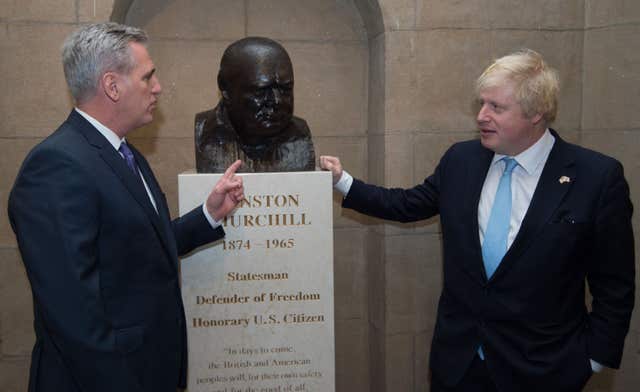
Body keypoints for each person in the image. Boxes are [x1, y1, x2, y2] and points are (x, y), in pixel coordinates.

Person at [320, 49, 635, 391]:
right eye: (481, 104)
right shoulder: (462, 160)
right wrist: (342, 181)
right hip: (459, 365)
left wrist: (592, 359)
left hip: (545, 371)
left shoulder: (596, 178)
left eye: (496, 107)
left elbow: (614, 285)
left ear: (537, 113)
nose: (481, 116)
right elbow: (407, 204)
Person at [8, 23, 244, 392]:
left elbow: (136, 249)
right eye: (147, 76)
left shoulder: (122, 152)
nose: (158, 87)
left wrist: (209, 214)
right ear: (112, 86)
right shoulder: (56, 166)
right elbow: (75, 316)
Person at [195, 36, 315, 173]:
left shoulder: (299, 134)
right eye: (261, 91)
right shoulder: (204, 133)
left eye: (285, 89)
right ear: (225, 87)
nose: (277, 101)